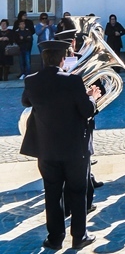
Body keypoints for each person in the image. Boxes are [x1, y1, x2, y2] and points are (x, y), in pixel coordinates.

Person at [21, 38, 100, 250]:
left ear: (43, 59)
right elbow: (87, 111)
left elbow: (26, 101)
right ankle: (79, 237)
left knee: (52, 194)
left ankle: (55, 238)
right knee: (77, 191)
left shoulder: (31, 80)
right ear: (63, 59)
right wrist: (92, 97)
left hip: (46, 149)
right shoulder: (72, 81)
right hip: (75, 149)